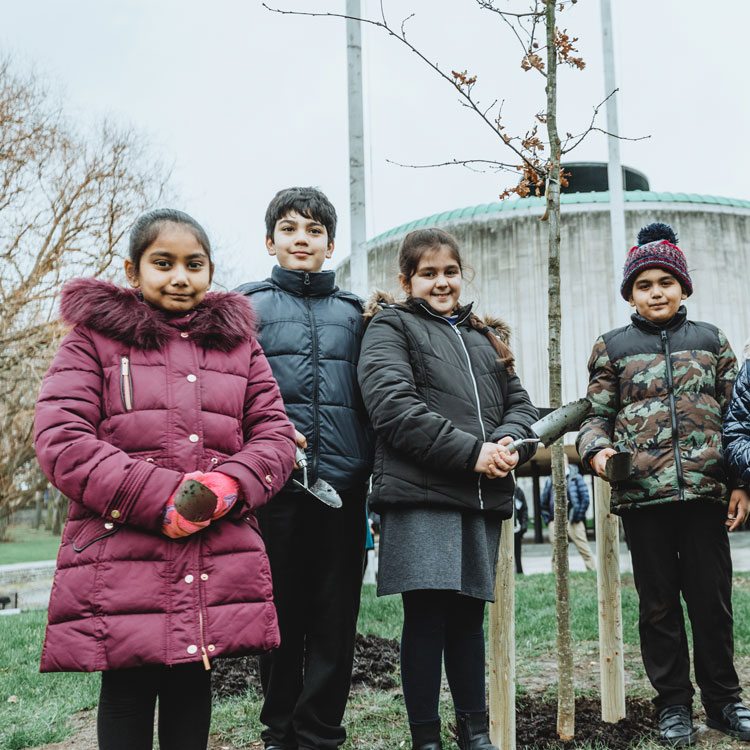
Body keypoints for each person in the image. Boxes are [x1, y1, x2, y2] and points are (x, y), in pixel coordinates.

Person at [33, 209, 297, 750]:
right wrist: (163, 499)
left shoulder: (238, 346)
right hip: (122, 547)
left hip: (210, 545)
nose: (181, 276)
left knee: (190, 682)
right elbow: (61, 437)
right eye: (164, 263)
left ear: (210, 270)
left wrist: (229, 487)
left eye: (194, 264)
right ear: (133, 272)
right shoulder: (93, 341)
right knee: (128, 684)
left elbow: (274, 432)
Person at [357, 227, 538, 750]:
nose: (441, 282)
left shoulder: (485, 338)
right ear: (406, 279)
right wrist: (472, 454)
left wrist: (507, 441)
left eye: (450, 272)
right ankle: (426, 739)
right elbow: (393, 407)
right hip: (421, 497)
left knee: (468, 618)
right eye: (428, 273)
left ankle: (474, 734)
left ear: (464, 274)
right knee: (428, 617)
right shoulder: (390, 327)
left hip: (479, 498)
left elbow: (521, 406)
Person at [576, 222, 750, 747]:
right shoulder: (612, 347)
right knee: (657, 607)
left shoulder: (713, 341)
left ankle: (724, 701)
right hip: (644, 501)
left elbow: (738, 417)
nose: (657, 292)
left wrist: (743, 483)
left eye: (666, 282)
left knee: (712, 602)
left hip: (706, 497)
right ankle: (673, 704)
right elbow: (595, 416)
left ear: (684, 287)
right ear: (630, 293)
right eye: (645, 284)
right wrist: (596, 452)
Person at [236, 187, 373, 750]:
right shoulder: (246, 307)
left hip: (342, 487)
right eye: (289, 229)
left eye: (313, 230)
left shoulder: (356, 313)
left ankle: (321, 732)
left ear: (330, 244)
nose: (301, 239)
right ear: (271, 241)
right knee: (280, 616)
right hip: (275, 489)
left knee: (335, 619)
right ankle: (279, 731)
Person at [540, 455, 596, 571]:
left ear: (565, 462)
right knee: (556, 552)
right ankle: (555, 575)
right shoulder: (550, 479)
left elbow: (585, 499)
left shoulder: (576, 477)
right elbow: (543, 502)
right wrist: (548, 520)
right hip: (555, 521)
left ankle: (592, 570)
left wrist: (577, 517)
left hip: (573, 520)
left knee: (584, 548)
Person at [513, 485, 528, 575]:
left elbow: (524, 510)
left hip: (516, 529)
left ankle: (519, 571)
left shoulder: (518, 491)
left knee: (517, 552)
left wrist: (524, 527)